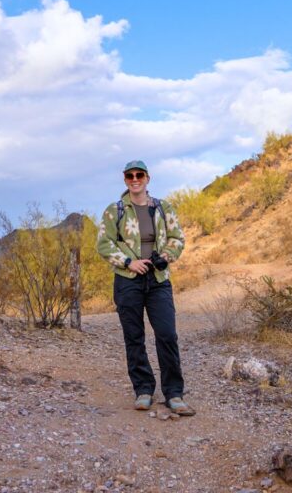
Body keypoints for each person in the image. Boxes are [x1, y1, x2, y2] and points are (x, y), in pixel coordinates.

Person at [95, 160, 195, 416]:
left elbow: (177, 238)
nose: (135, 179)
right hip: (127, 281)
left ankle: (174, 393)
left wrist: (166, 256)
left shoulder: (163, 208)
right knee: (134, 336)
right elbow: (104, 244)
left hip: (158, 279)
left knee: (166, 334)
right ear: (125, 179)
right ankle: (143, 389)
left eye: (139, 175)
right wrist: (129, 262)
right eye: (130, 176)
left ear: (148, 178)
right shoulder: (114, 211)